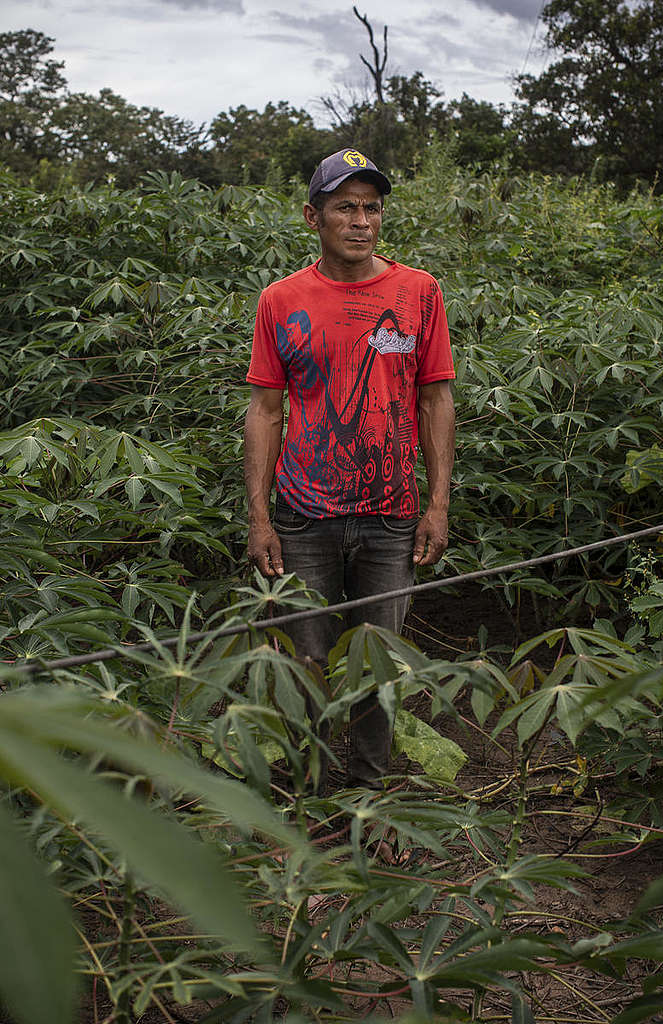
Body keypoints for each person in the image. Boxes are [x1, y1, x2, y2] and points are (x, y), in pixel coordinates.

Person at [244, 147, 455, 789]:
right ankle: (308, 783)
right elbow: (264, 408)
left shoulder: (419, 292)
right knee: (306, 656)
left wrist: (438, 503)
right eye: (346, 208)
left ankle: (367, 787)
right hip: (304, 514)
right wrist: (259, 516)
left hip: (392, 514)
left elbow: (435, 398)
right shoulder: (281, 300)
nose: (362, 221)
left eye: (372, 208)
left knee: (376, 660)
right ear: (314, 218)